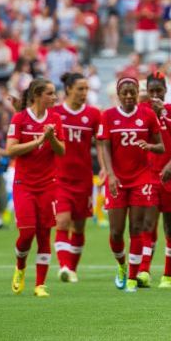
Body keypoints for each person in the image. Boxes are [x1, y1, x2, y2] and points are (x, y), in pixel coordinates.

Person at [98, 77, 164, 293]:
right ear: (118, 94)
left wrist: (150, 146)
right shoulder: (108, 116)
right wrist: (110, 174)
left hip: (141, 178)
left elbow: (161, 146)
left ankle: (133, 278)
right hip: (117, 179)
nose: (128, 96)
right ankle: (122, 265)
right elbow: (104, 147)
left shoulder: (148, 115)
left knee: (136, 227)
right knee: (116, 232)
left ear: (137, 93)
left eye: (132, 92)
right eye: (124, 92)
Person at [7, 78, 66, 298]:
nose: (54, 97)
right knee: (27, 233)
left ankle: (40, 284)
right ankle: (20, 267)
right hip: (24, 184)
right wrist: (39, 140)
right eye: (50, 93)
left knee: (44, 233)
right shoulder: (20, 119)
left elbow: (61, 152)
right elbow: (10, 150)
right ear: (37, 95)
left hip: (48, 185)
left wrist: (51, 139)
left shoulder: (55, 119)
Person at [137, 72, 171, 288]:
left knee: (170, 227)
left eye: (159, 91)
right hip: (150, 174)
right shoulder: (142, 112)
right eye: (152, 91)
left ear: (166, 91)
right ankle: (143, 271)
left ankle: (168, 274)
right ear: (147, 92)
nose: (156, 95)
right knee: (148, 224)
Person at [52, 72, 101, 284]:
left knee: (79, 227)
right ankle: (63, 266)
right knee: (62, 222)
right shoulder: (54, 114)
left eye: (86, 89)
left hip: (83, 179)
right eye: (80, 89)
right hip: (59, 178)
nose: (84, 93)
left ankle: (72, 268)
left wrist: (105, 168)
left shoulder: (93, 115)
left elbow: (101, 143)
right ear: (69, 89)